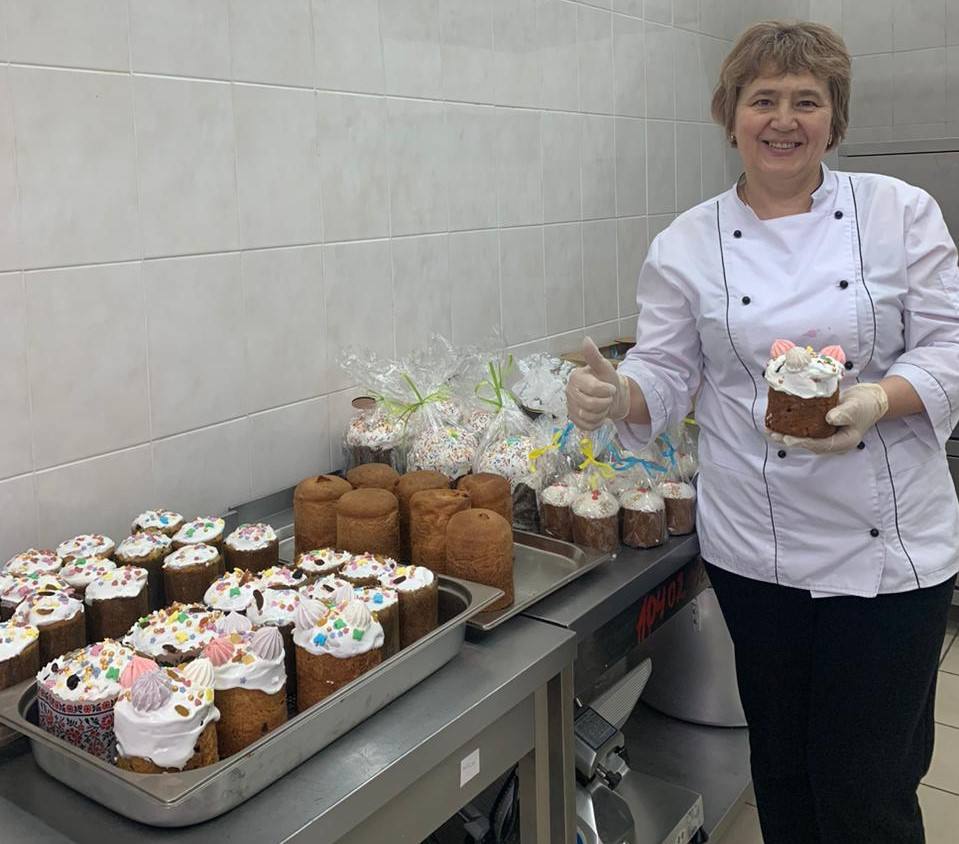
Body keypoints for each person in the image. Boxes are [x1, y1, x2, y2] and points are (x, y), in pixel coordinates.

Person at [566, 20, 959, 844]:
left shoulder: (897, 212)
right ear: (730, 114)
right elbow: (665, 372)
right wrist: (617, 393)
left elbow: (950, 345)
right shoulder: (686, 243)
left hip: (888, 553)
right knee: (780, 769)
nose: (783, 120)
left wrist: (877, 401)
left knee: (865, 787)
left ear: (833, 118)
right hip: (757, 549)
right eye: (763, 99)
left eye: (806, 101)